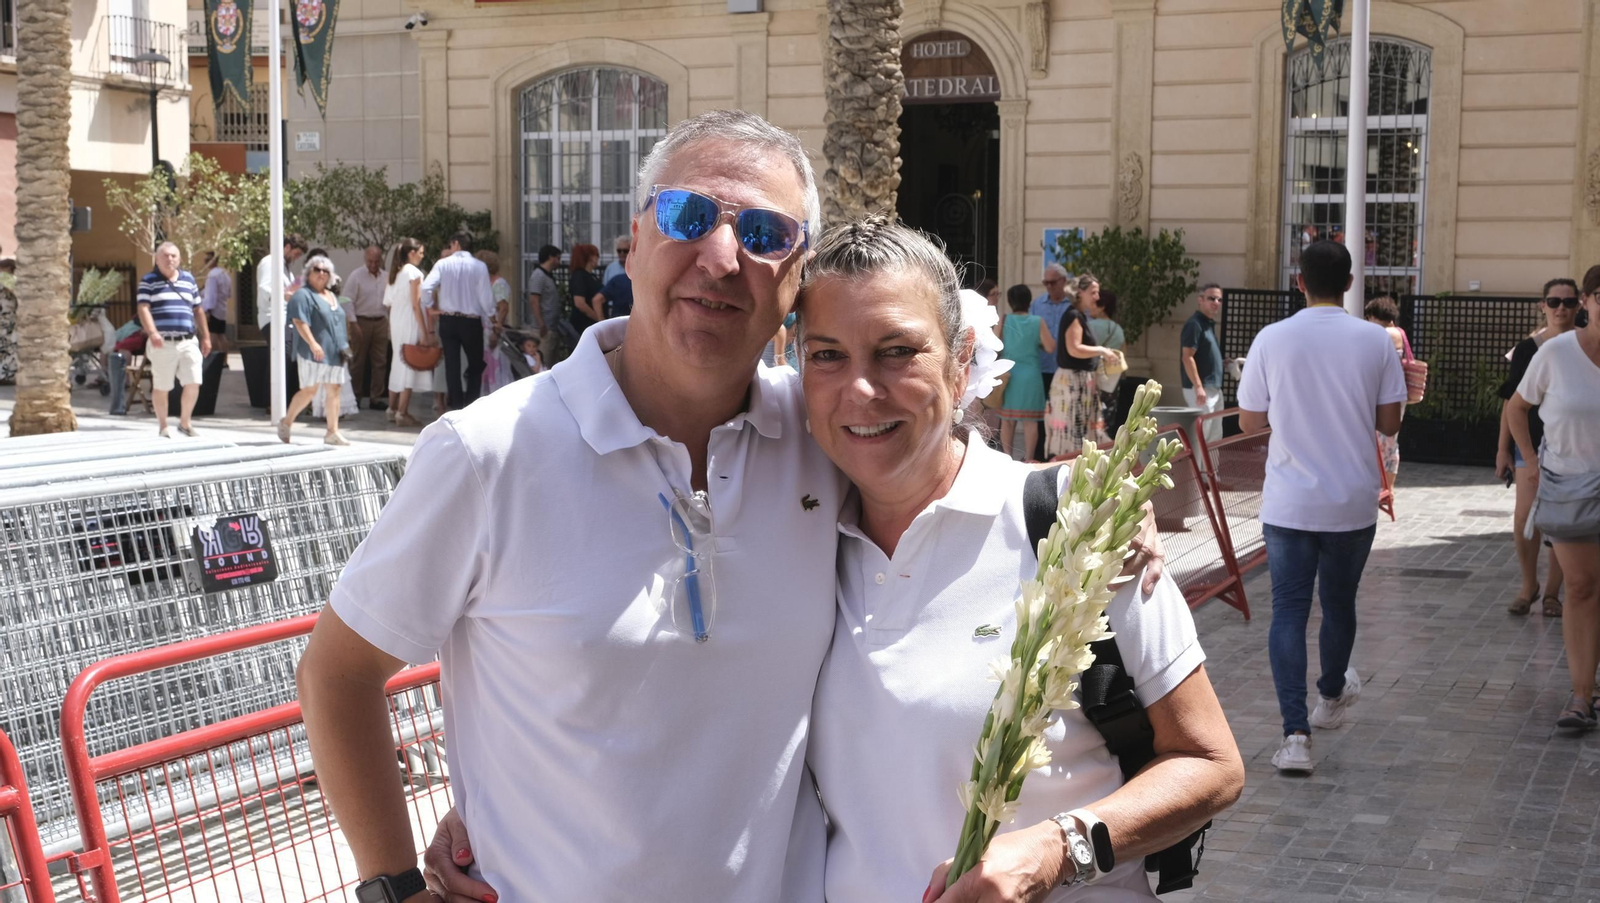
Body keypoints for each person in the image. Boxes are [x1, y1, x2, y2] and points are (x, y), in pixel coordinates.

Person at [423, 217, 1238, 903]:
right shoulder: (797, 526)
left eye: (897, 352)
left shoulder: (1076, 532)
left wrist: (1060, 849)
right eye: (827, 356)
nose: (861, 391)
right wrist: (491, 811)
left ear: (961, 365)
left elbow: (1210, 763)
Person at [296, 109, 840, 903]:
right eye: (689, 215)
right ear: (638, 236)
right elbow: (337, 672)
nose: (721, 257)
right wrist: (395, 887)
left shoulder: (827, 442)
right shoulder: (486, 451)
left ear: (800, 274)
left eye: (764, 233)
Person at [1236, 240, 1405, 774]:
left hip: (1289, 501)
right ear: (1351, 284)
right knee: (1339, 604)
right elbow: (1390, 424)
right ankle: (1330, 696)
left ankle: (1294, 738)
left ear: (1299, 280)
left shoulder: (1272, 338)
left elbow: (1248, 423)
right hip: (1352, 499)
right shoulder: (1375, 341)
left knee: (1287, 611)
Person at [1506, 266, 1600, 731]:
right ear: (1588, 300)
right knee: (1581, 587)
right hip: (1573, 486)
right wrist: (1529, 460)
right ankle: (1581, 696)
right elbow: (1517, 407)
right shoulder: (1557, 353)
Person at [1497, 278, 1578, 617]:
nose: (1561, 308)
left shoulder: (1585, 344)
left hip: (1571, 445)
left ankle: (1552, 593)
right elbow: (1511, 402)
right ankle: (1529, 585)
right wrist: (1503, 448)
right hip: (1529, 441)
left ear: (1580, 305)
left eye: (1568, 302)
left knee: (1562, 521)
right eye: (1554, 301)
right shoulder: (1528, 349)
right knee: (1524, 516)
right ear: (1542, 305)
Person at [137, 242, 212, 438]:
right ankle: (163, 426)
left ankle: (185, 422)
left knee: (194, 380)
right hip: (163, 341)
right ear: (157, 258)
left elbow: (198, 309)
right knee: (162, 385)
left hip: (188, 340)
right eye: (165, 256)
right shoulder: (149, 280)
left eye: (173, 256)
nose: (170, 259)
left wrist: (206, 337)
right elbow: (143, 307)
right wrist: (153, 333)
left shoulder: (188, 280)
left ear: (179, 259)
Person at [277, 256, 352, 446]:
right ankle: (286, 423)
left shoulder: (331, 296)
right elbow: (299, 320)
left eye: (325, 271)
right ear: (308, 273)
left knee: (334, 389)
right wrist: (312, 343)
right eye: (317, 270)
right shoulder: (302, 295)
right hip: (312, 351)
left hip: (334, 351)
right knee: (310, 390)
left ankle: (332, 432)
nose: (321, 273)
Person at [421, 231, 495, 411]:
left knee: (451, 366)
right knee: (475, 365)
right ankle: (471, 406)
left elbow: (426, 287)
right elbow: (485, 297)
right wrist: (492, 315)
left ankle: (455, 407)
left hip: (448, 320)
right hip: (471, 321)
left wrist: (430, 306)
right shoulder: (479, 266)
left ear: (455, 244)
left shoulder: (443, 264)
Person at [1044, 273, 1115, 459]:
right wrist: (1102, 350)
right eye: (1093, 292)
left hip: (1079, 384)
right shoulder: (1073, 315)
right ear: (1079, 293)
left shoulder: (1078, 315)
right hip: (1072, 383)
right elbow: (1074, 349)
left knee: (1079, 435)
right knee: (1073, 435)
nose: (1097, 297)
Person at [997, 283, 1054, 461]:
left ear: (1010, 301)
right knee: (1030, 422)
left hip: (1009, 375)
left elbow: (994, 344)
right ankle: (1029, 459)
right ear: (1029, 301)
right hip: (1031, 376)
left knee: (1007, 421)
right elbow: (1051, 347)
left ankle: (1007, 458)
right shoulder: (1038, 322)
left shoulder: (1004, 319)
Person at [384, 238, 431, 427]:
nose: (422, 256)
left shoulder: (395, 273)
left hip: (397, 320)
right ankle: (402, 412)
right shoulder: (413, 272)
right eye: (420, 253)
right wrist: (425, 332)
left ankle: (392, 408)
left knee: (398, 361)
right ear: (411, 253)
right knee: (409, 362)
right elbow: (416, 304)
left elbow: (388, 303)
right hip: (410, 321)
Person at [1362, 295, 1409, 486]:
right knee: (1390, 444)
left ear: (1376, 315)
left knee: (1384, 443)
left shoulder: (1383, 334)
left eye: (1370, 317)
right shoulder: (1399, 332)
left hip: (1384, 395)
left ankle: (1385, 488)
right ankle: (1388, 488)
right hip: (1397, 393)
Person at [1029, 263, 1074, 459]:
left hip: (1065, 370)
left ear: (1064, 281)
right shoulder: (1036, 305)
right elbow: (1031, 334)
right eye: (1045, 282)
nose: (1048, 286)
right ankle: (1040, 455)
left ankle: (1061, 454)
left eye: (1052, 282)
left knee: (1063, 415)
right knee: (1041, 415)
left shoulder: (1073, 306)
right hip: (1043, 368)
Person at [345, 245, 392, 412]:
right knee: (358, 361)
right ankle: (355, 397)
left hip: (380, 321)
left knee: (380, 362)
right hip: (361, 321)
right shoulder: (356, 276)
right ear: (366, 259)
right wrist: (353, 322)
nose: (373, 264)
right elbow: (347, 300)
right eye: (370, 261)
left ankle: (376, 398)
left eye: (376, 261)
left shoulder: (386, 277)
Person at [1181, 284, 1224, 444]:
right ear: (1200, 300)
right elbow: (1187, 357)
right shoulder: (1195, 324)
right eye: (1211, 298)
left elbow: (1203, 356)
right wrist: (1198, 387)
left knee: (1214, 437)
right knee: (1201, 436)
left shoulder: (1208, 324)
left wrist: (1224, 362)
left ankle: (1210, 470)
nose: (1216, 302)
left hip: (1213, 389)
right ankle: (1195, 470)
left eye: (1219, 299)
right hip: (1201, 389)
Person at [477, 250, 514, 395]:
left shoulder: (499, 283)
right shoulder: (485, 283)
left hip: (493, 331)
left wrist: (496, 331)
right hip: (483, 332)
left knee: (496, 366)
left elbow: (503, 308)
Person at [1090, 287, 1126, 433]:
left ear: (1102, 307)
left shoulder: (1089, 326)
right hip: (1112, 380)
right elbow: (1124, 354)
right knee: (1107, 420)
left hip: (1092, 377)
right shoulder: (1118, 329)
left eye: (1094, 303)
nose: (1090, 307)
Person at [256, 234, 308, 331]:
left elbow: (289, 289)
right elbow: (265, 289)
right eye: (296, 254)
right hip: (272, 318)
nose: (296, 258)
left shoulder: (286, 269)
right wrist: (283, 295)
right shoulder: (270, 261)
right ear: (287, 247)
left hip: (285, 319)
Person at [526, 243, 563, 362]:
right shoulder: (538, 276)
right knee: (543, 363)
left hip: (551, 328)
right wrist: (541, 324)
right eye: (557, 258)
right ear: (550, 257)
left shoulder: (548, 276)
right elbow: (534, 300)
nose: (559, 261)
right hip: (543, 330)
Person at [566, 243, 605, 337]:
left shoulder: (590, 276)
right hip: (583, 325)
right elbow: (580, 303)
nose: (598, 258)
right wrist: (598, 318)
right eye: (596, 255)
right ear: (590, 257)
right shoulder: (579, 276)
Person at [200, 251, 231, 348]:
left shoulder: (212, 275)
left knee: (211, 337)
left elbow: (211, 296)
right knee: (221, 336)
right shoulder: (224, 274)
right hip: (222, 310)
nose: (206, 262)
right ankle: (224, 361)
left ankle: (211, 361)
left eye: (208, 260)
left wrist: (207, 311)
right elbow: (229, 293)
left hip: (214, 311)